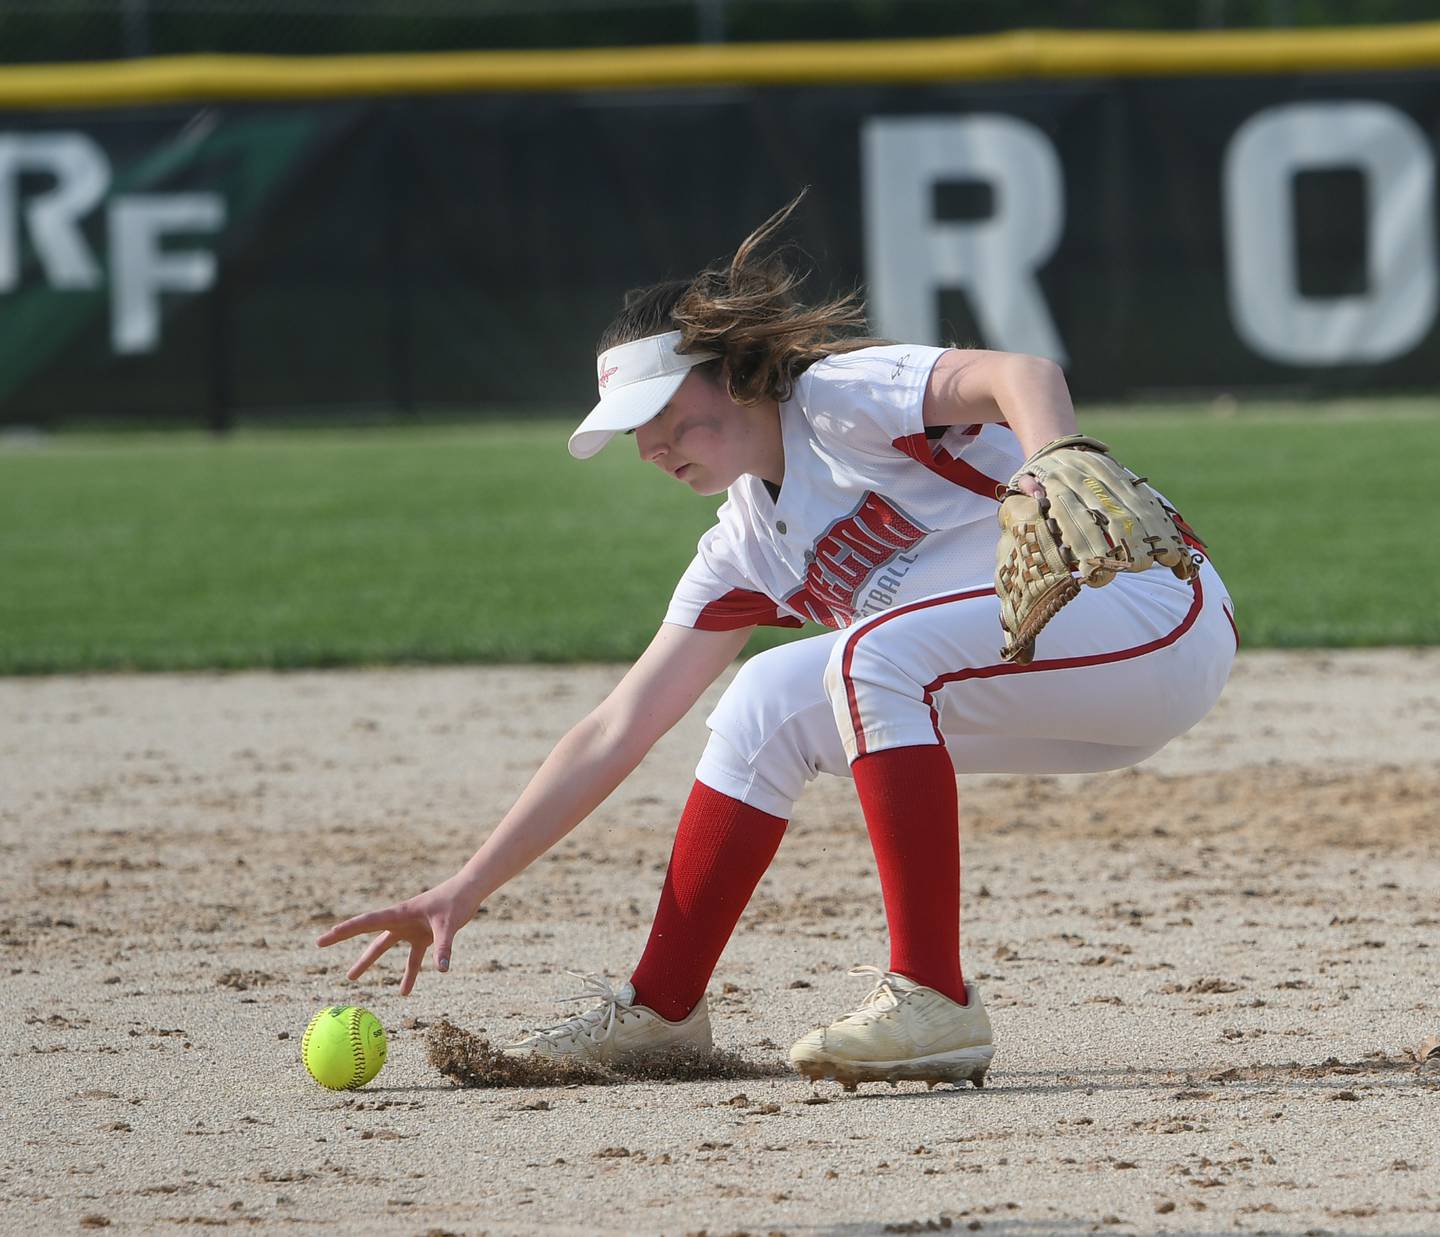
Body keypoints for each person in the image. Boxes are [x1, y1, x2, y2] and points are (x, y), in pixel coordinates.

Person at [317, 195, 1236, 1090]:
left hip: (1149, 616)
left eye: (663, 412)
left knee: (867, 655)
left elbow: (1020, 374)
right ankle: (663, 1008)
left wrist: (1050, 461)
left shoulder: (836, 399)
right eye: (634, 431)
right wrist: (465, 886)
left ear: (729, 370)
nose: (652, 448)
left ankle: (933, 996)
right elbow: (618, 727)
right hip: (1044, 683)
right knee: (763, 701)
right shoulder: (746, 547)